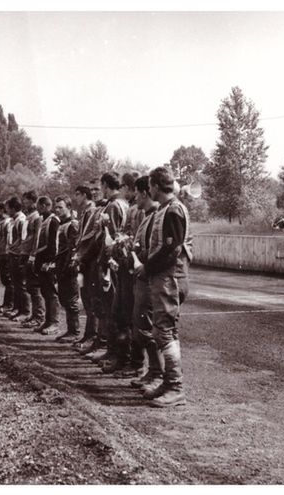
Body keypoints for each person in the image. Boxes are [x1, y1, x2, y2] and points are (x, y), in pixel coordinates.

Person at [137, 166, 193, 407]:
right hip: (163, 278)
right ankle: (169, 382)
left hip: (171, 278)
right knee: (163, 330)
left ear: (157, 186)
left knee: (164, 331)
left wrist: (147, 267)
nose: (148, 189)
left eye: (150, 185)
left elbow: (172, 250)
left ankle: (175, 387)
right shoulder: (164, 210)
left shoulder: (174, 210)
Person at [129, 176, 163, 390]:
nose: (135, 197)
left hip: (150, 278)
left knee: (148, 327)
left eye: (137, 192)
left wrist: (136, 253)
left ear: (144, 193)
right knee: (141, 325)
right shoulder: (147, 216)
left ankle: (158, 374)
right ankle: (153, 371)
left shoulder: (157, 216)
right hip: (142, 276)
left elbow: (154, 250)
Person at [96, 172, 129, 374]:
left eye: (101, 185)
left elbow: (114, 237)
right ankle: (112, 351)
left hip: (113, 261)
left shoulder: (114, 205)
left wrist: (108, 262)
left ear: (106, 185)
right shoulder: (122, 203)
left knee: (112, 308)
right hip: (117, 260)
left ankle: (114, 353)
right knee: (113, 308)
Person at [72, 185, 98, 349]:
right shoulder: (85, 212)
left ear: (84, 195)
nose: (76, 198)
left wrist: (81, 256)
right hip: (82, 261)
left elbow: (90, 238)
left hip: (88, 261)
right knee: (85, 297)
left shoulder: (93, 211)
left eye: (78, 195)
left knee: (90, 298)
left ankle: (92, 335)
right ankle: (87, 335)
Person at [53, 196, 81, 343]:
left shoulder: (73, 224)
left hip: (68, 267)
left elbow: (73, 249)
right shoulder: (61, 224)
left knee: (71, 300)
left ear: (68, 207)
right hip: (60, 265)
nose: (57, 210)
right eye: (56, 207)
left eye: (60, 207)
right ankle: (70, 330)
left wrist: (68, 266)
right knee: (64, 298)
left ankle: (75, 331)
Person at [33, 196, 60, 334]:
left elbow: (54, 244)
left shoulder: (53, 221)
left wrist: (50, 262)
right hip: (42, 262)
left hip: (48, 263)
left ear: (44, 205)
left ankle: (54, 323)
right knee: (45, 292)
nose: (36, 208)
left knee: (51, 293)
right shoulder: (44, 220)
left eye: (38, 205)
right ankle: (48, 321)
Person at [20, 191, 45, 326]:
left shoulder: (37, 217)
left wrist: (33, 255)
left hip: (30, 254)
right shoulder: (29, 216)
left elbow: (37, 238)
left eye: (26, 200)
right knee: (29, 286)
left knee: (34, 287)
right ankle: (33, 314)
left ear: (32, 202)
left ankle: (39, 316)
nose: (24, 203)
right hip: (24, 252)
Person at [4, 196, 31, 320]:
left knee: (21, 284)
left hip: (17, 256)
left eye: (8, 208)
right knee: (15, 283)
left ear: (14, 208)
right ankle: (17, 308)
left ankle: (24, 311)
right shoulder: (13, 220)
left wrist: (19, 255)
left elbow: (23, 239)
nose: (6, 211)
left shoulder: (21, 220)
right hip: (12, 254)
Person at [0, 203, 13, 313]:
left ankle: (8, 305)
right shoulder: (1, 223)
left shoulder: (7, 222)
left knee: (8, 280)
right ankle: (6, 304)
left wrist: (6, 253)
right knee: (5, 280)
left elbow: (8, 240)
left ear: (2, 210)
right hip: (1, 254)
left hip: (5, 254)